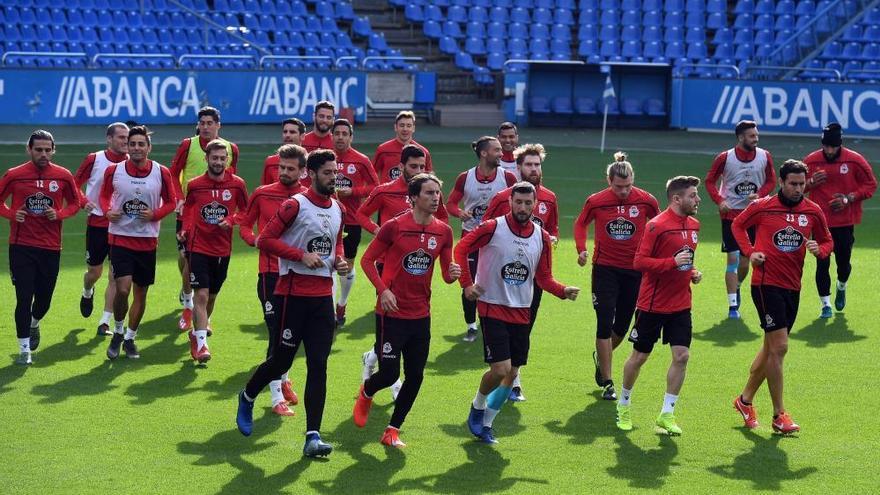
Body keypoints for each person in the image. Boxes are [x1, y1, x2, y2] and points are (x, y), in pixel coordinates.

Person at [236, 149, 349, 458]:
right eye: (327, 173)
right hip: (291, 296)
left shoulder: (338, 208)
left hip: (322, 298)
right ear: (310, 174)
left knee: (318, 365)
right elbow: (266, 240)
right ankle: (247, 395)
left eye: (335, 172)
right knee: (282, 361)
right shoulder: (294, 205)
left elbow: (336, 240)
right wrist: (300, 256)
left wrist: (338, 259)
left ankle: (313, 436)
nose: (333, 177)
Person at [458, 182, 580, 444]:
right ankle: (477, 407)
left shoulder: (542, 237)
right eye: (518, 202)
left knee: (512, 373)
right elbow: (461, 249)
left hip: (521, 310)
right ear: (510, 202)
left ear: (535, 205)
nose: (523, 207)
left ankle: (486, 424)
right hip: (492, 305)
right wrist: (467, 285)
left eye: (528, 203)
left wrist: (562, 290)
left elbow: (544, 278)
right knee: (500, 369)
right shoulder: (492, 228)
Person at [352, 173, 460, 448]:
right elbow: (366, 260)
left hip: (421, 314)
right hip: (391, 313)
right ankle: (366, 392)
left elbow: (447, 275)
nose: (436, 198)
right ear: (413, 197)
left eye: (438, 193)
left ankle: (392, 429)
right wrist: (383, 290)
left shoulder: (444, 231)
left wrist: (454, 273)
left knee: (415, 376)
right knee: (388, 374)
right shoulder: (394, 227)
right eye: (429, 193)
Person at [732, 159, 833, 434]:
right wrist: (750, 252)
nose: (799, 189)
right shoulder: (762, 206)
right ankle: (779, 415)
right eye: (793, 184)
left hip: (793, 286)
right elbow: (738, 226)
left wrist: (819, 250)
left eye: (802, 184)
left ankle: (744, 400)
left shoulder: (812, 211)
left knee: (770, 349)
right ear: (782, 182)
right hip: (765, 284)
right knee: (780, 348)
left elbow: (827, 241)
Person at [356, 145, 449, 395]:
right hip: (387, 265)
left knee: (401, 327)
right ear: (402, 166)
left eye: (422, 166)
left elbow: (443, 220)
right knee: (391, 318)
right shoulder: (384, 191)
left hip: (417, 265)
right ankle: (392, 379)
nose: (418, 170)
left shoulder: (430, 192)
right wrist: (377, 231)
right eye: (413, 166)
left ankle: (372, 358)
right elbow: (361, 214)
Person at [615, 176, 702, 436]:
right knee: (640, 357)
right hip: (653, 305)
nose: (698, 200)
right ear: (677, 199)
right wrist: (671, 264)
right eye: (693, 196)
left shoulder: (695, 226)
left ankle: (667, 414)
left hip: (681, 304)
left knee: (682, 356)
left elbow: (685, 259)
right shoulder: (656, 226)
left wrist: (692, 270)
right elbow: (639, 262)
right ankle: (624, 404)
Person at [573, 151, 660, 401]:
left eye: (628, 186)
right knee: (604, 320)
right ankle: (609, 382)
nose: (624, 191)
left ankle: (602, 356)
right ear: (609, 181)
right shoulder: (596, 201)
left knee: (621, 326)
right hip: (605, 270)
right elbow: (581, 224)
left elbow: (659, 226)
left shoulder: (646, 201)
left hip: (635, 270)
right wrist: (581, 249)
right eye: (619, 186)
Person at [482, 143, 559, 402]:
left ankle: (513, 378)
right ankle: (509, 380)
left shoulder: (549, 198)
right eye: (529, 164)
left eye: (537, 164)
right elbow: (485, 231)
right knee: (504, 327)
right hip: (501, 279)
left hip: (533, 277)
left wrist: (553, 239)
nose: (534, 169)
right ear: (518, 167)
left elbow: (554, 229)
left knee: (524, 329)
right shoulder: (501, 198)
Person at [0, 130, 82, 365]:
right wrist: (11, 213)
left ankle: (34, 323)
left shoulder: (63, 176)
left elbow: (76, 202)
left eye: (48, 150)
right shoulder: (14, 175)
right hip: (21, 246)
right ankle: (24, 350)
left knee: (43, 300)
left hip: (50, 247)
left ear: (54, 150)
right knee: (23, 298)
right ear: (29, 150)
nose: (44, 154)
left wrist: (59, 214)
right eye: (39, 150)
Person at [241, 144, 308, 415]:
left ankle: (283, 376)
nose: (284, 172)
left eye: (290, 169)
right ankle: (275, 396)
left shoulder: (308, 199)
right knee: (275, 332)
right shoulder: (263, 193)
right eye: (281, 167)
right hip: (270, 274)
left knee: (291, 333)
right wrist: (254, 239)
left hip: (299, 276)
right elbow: (245, 223)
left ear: (303, 172)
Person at [100, 126, 177, 360]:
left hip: (147, 241)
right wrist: (106, 211)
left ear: (148, 147)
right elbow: (104, 196)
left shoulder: (161, 172)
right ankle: (118, 331)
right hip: (120, 238)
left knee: (140, 295)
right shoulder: (114, 171)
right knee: (122, 289)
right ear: (127, 146)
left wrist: (155, 214)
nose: (136, 148)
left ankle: (130, 338)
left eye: (140, 144)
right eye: (132, 144)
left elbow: (172, 202)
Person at [177, 140, 248, 363]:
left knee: (212, 296)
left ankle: (195, 333)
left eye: (222, 158)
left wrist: (232, 219)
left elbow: (246, 212)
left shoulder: (237, 184)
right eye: (214, 158)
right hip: (198, 246)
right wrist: (186, 229)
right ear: (206, 159)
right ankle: (202, 344)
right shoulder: (196, 184)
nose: (218, 162)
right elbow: (188, 208)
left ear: (227, 160)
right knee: (201, 294)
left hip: (222, 249)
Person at [170, 106, 239, 331]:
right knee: (187, 259)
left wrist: (231, 215)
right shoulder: (187, 145)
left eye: (210, 123)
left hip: (216, 215)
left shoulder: (231, 149)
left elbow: (232, 180)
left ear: (219, 125)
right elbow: (173, 172)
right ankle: (188, 303)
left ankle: (198, 310)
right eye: (202, 123)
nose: (206, 127)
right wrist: (179, 198)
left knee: (207, 270)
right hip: (189, 210)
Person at [446, 136, 518, 342]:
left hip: (498, 239)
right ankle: (471, 326)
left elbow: (519, 203)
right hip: (471, 238)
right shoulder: (465, 177)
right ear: (484, 153)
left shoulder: (508, 177)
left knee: (500, 279)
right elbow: (450, 204)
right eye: (496, 150)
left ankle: (497, 321)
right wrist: (460, 213)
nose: (501, 153)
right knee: (468, 282)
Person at [803, 123, 877, 317]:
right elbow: (794, 188)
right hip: (820, 223)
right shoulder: (811, 161)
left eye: (832, 146)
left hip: (844, 223)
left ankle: (841, 285)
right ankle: (825, 305)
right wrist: (810, 183)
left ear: (840, 144)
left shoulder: (854, 161)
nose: (828, 150)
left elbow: (871, 184)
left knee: (843, 264)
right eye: (825, 146)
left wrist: (849, 198)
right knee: (822, 263)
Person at [705, 120, 776, 319]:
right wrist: (719, 200)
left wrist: (761, 194)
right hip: (731, 214)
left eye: (757, 135)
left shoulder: (765, 156)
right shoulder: (724, 158)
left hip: (755, 213)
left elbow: (771, 180)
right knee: (733, 258)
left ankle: (737, 285)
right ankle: (733, 306)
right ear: (741, 137)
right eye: (752, 136)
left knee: (747, 262)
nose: (756, 138)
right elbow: (710, 181)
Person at [75, 122, 128, 336]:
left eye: (127, 138)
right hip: (97, 224)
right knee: (94, 273)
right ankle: (88, 290)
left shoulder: (130, 163)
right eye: (121, 137)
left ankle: (104, 321)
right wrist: (83, 201)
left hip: (122, 227)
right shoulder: (95, 159)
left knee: (116, 276)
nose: (125, 141)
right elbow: (73, 183)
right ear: (109, 139)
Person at [330, 118, 379, 327]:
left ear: (351, 137)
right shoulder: (325, 158)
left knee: (347, 265)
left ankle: (342, 303)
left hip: (351, 220)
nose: (340, 137)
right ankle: (329, 310)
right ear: (332, 136)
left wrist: (354, 191)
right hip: (326, 219)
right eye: (337, 133)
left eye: (344, 133)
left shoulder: (361, 160)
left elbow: (376, 187)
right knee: (329, 264)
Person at [371, 110, 434, 184]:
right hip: (389, 195)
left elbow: (429, 178)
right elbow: (372, 174)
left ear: (413, 128)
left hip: (412, 195)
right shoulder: (383, 150)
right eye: (402, 125)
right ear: (395, 127)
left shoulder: (423, 152)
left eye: (408, 126)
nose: (405, 129)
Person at [261, 118, 306, 186]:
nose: (287, 135)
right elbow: (265, 189)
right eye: (285, 132)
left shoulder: (311, 161)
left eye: (292, 132)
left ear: (302, 136)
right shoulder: (270, 161)